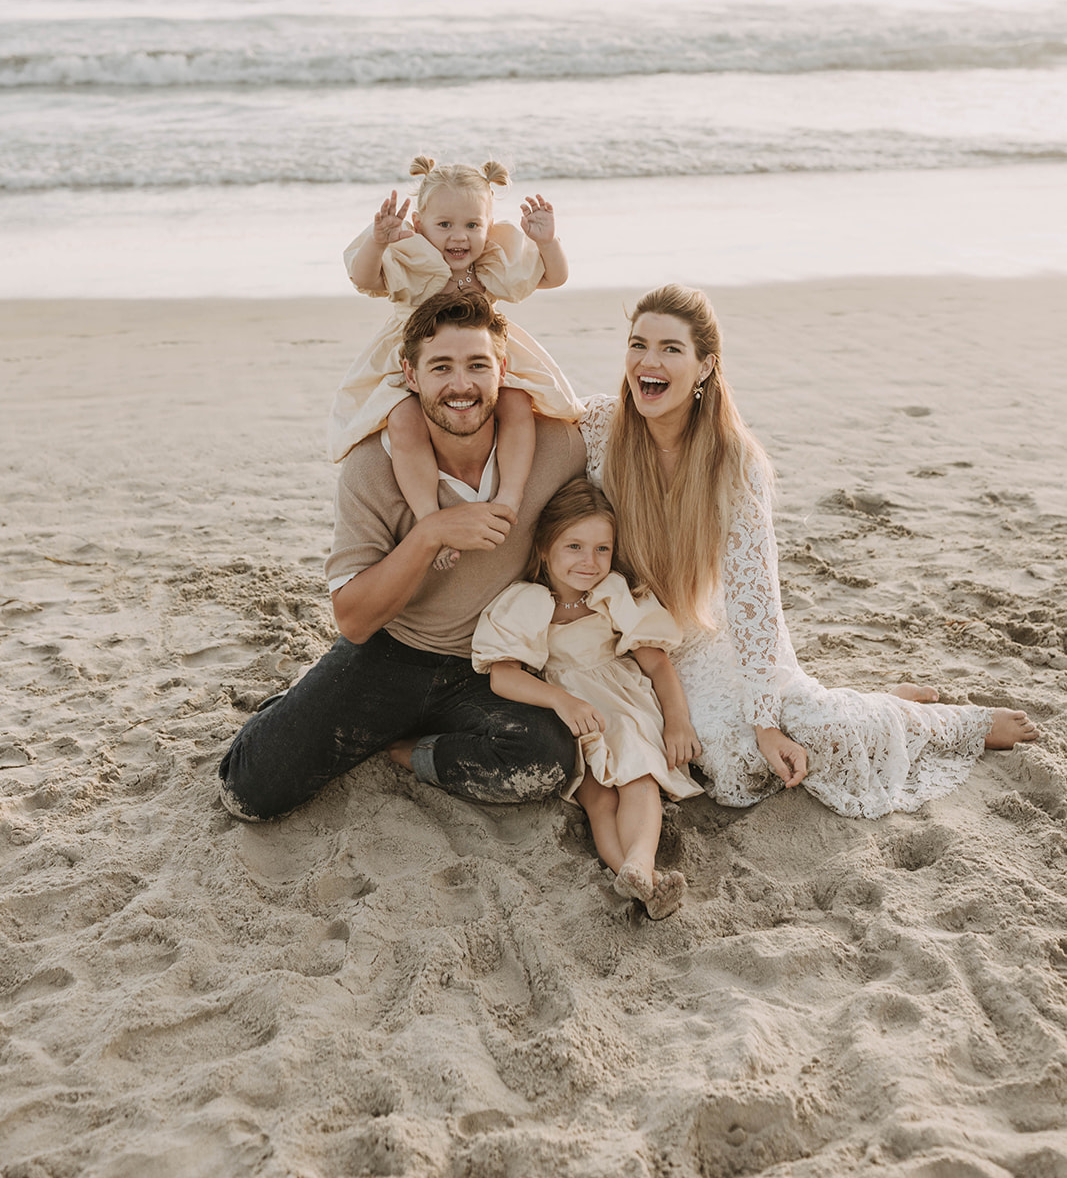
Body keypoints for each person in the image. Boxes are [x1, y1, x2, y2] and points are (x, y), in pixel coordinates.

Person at [579, 284, 1040, 818]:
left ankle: (956, 722)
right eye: (638, 345)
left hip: (706, 634)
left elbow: (756, 600)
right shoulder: (599, 426)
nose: (647, 362)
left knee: (799, 740)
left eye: (670, 349)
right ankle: (874, 701)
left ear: (705, 366)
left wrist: (766, 719)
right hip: (626, 638)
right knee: (731, 764)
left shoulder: (733, 463)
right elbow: (522, 385)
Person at [219, 291, 587, 822]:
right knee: (248, 792)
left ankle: (408, 748)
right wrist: (431, 532)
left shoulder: (557, 448)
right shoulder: (371, 467)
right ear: (410, 376)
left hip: (490, 665)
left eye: (477, 365)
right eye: (442, 367)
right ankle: (301, 698)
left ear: (502, 370)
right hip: (392, 652)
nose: (461, 385)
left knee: (546, 759)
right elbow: (353, 619)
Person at [328, 155, 580, 569]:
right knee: (404, 420)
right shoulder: (409, 258)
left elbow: (553, 277)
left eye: (472, 225)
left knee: (517, 403)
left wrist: (548, 242)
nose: (458, 237)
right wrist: (377, 241)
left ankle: (509, 499)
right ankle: (431, 518)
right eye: (444, 225)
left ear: (488, 226)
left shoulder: (491, 265)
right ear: (422, 225)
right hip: (416, 359)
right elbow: (364, 278)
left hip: (482, 356)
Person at [472, 479, 703, 919]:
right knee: (598, 798)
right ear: (544, 548)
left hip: (622, 705)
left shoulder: (612, 594)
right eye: (574, 546)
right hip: (571, 711)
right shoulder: (526, 601)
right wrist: (561, 701)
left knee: (639, 779)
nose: (589, 562)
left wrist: (677, 722)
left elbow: (657, 666)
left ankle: (640, 866)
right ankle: (640, 879)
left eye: (602, 549)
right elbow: (503, 677)